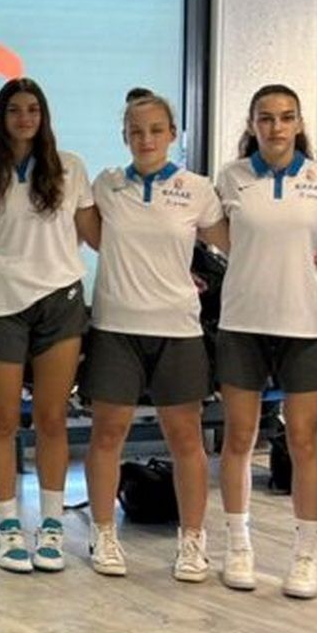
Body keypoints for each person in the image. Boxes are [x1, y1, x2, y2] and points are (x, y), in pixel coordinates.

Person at [76, 90, 223, 582]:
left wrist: (312, 254)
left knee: (185, 439)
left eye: (156, 130)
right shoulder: (107, 185)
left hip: (177, 329)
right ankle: (103, 533)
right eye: (136, 131)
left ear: (172, 134)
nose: (146, 139)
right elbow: (87, 235)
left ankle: (192, 541)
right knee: (107, 434)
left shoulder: (197, 189)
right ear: (124, 136)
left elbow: (238, 243)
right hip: (116, 328)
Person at [0, 77, 93, 575]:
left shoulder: (69, 166)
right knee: (3, 419)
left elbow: (94, 233)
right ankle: (8, 526)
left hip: (60, 299)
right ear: (0, 117)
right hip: (1, 303)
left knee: (52, 418)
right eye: (15, 109)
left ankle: (51, 525)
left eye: (33, 109)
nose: (25, 118)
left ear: (43, 115)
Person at [210, 84, 317, 599]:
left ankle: (305, 556)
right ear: (252, 125)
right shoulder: (231, 177)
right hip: (243, 322)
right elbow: (224, 240)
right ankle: (238, 546)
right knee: (239, 438)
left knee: (305, 441)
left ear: (299, 122)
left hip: (306, 324)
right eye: (266, 118)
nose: (276, 127)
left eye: (286, 117)